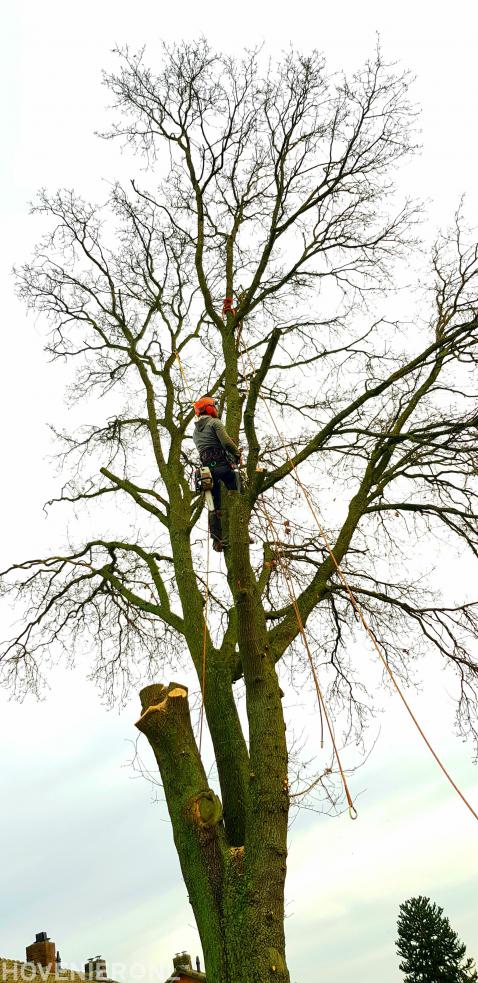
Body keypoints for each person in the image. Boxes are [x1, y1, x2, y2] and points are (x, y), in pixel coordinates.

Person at [193, 396, 241, 551]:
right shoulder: (215, 422)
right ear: (209, 408)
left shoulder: (195, 431)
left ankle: (217, 541)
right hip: (222, 465)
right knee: (237, 488)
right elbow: (226, 443)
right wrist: (237, 453)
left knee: (214, 506)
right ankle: (239, 531)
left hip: (207, 471)